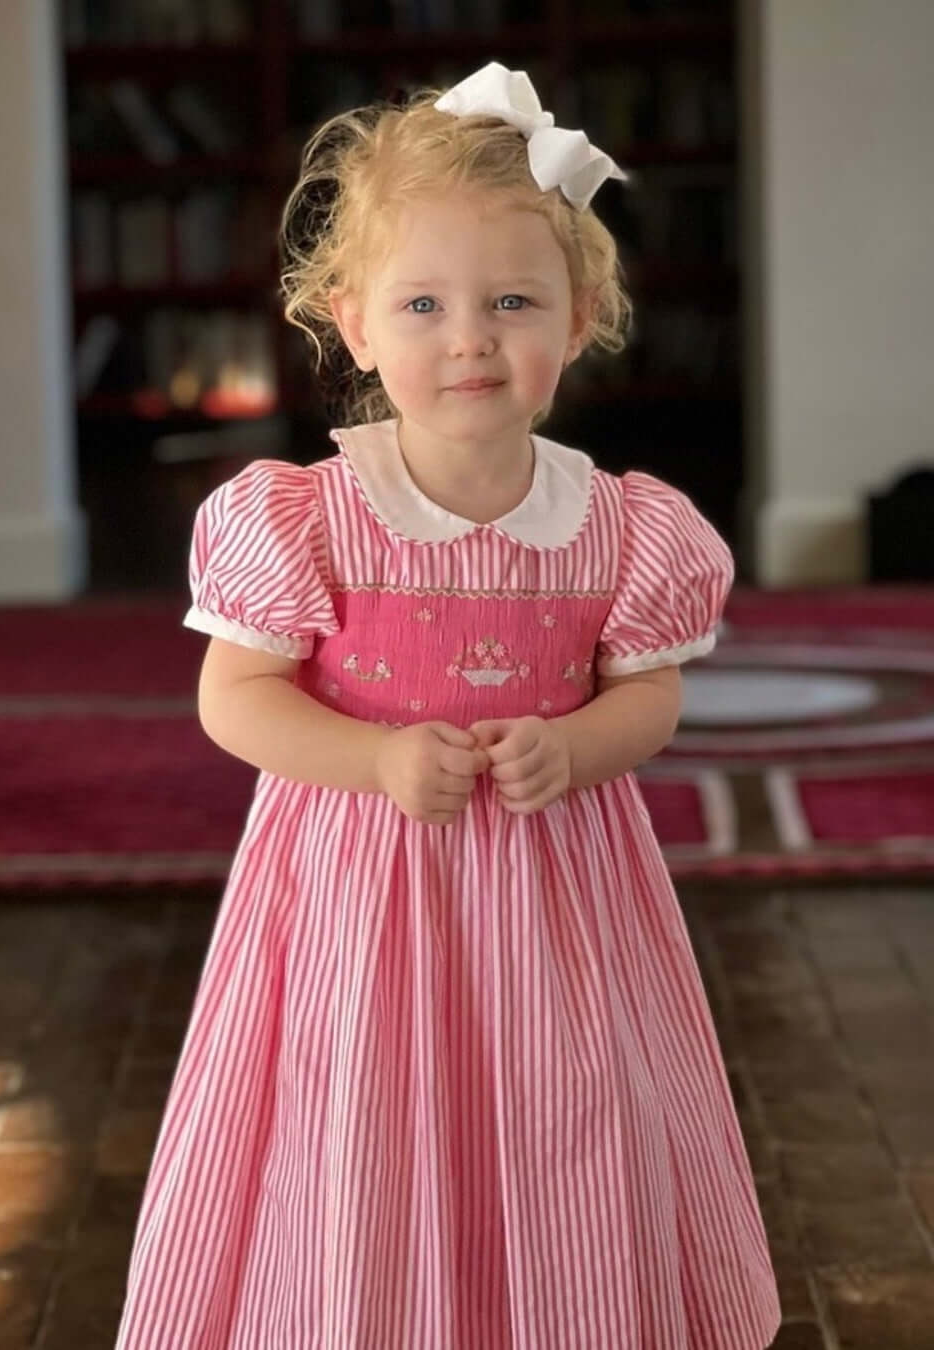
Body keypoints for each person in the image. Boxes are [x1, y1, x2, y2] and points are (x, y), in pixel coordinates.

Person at [114, 61, 781, 1350]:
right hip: (357, 899)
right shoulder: (305, 519)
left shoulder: (622, 528)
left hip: (558, 895)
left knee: (568, 1109)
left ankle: (573, 1307)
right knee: (359, 1115)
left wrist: (576, 744)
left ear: (577, 320)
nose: (469, 336)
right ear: (354, 324)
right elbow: (236, 698)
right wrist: (369, 758)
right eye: (423, 303)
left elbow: (651, 696)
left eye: (512, 301)